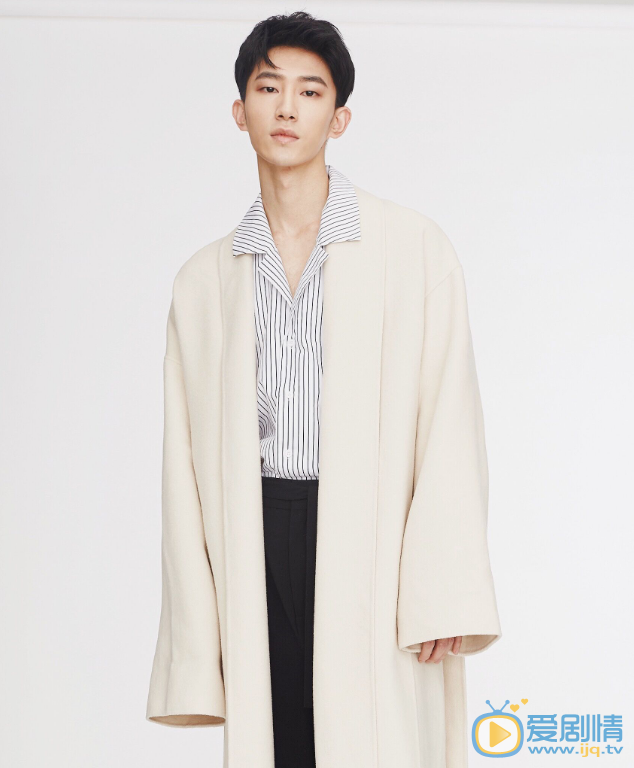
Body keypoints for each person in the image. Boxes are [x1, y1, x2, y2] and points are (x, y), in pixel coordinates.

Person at [146, 11, 502, 768]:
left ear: (339, 118)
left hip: (372, 531)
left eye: (310, 92)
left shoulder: (412, 249)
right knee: (282, 741)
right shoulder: (204, 283)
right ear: (239, 110)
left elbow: (450, 419)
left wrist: (441, 588)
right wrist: (197, 630)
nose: (286, 108)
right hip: (257, 530)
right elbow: (184, 474)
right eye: (268, 87)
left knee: (373, 736)